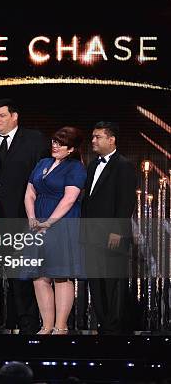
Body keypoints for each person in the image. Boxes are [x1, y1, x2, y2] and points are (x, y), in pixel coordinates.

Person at [0, 98, 48, 334]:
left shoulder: (34, 140)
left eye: (2, 115)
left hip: (22, 221)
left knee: (21, 278)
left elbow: (39, 180)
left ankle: (27, 327)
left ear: (15, 116)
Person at [24, 126, 86, 334]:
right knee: (39, 275)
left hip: (61, 223)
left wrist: (48, 223)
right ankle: (46, 325)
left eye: (60, 143)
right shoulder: (43, 163)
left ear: (71, 149)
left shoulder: (75, 168)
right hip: (37, 222)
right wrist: (33, 219)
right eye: (54, 141)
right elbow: (30, 192)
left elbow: (69, 199)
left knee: (60, 274)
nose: (55, 145)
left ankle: (61, 326)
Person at [81, 122, 136, 334]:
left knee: (113, 283)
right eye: (93, 137)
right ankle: (104, 324)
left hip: (113, 235)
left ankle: (114, 328)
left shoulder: (123, 165)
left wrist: (117, 231)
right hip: (91, 235)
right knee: (96, 282)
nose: (93, 141)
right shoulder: (93, 165)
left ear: (111, 139)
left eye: (98, 137)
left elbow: (126, 201)